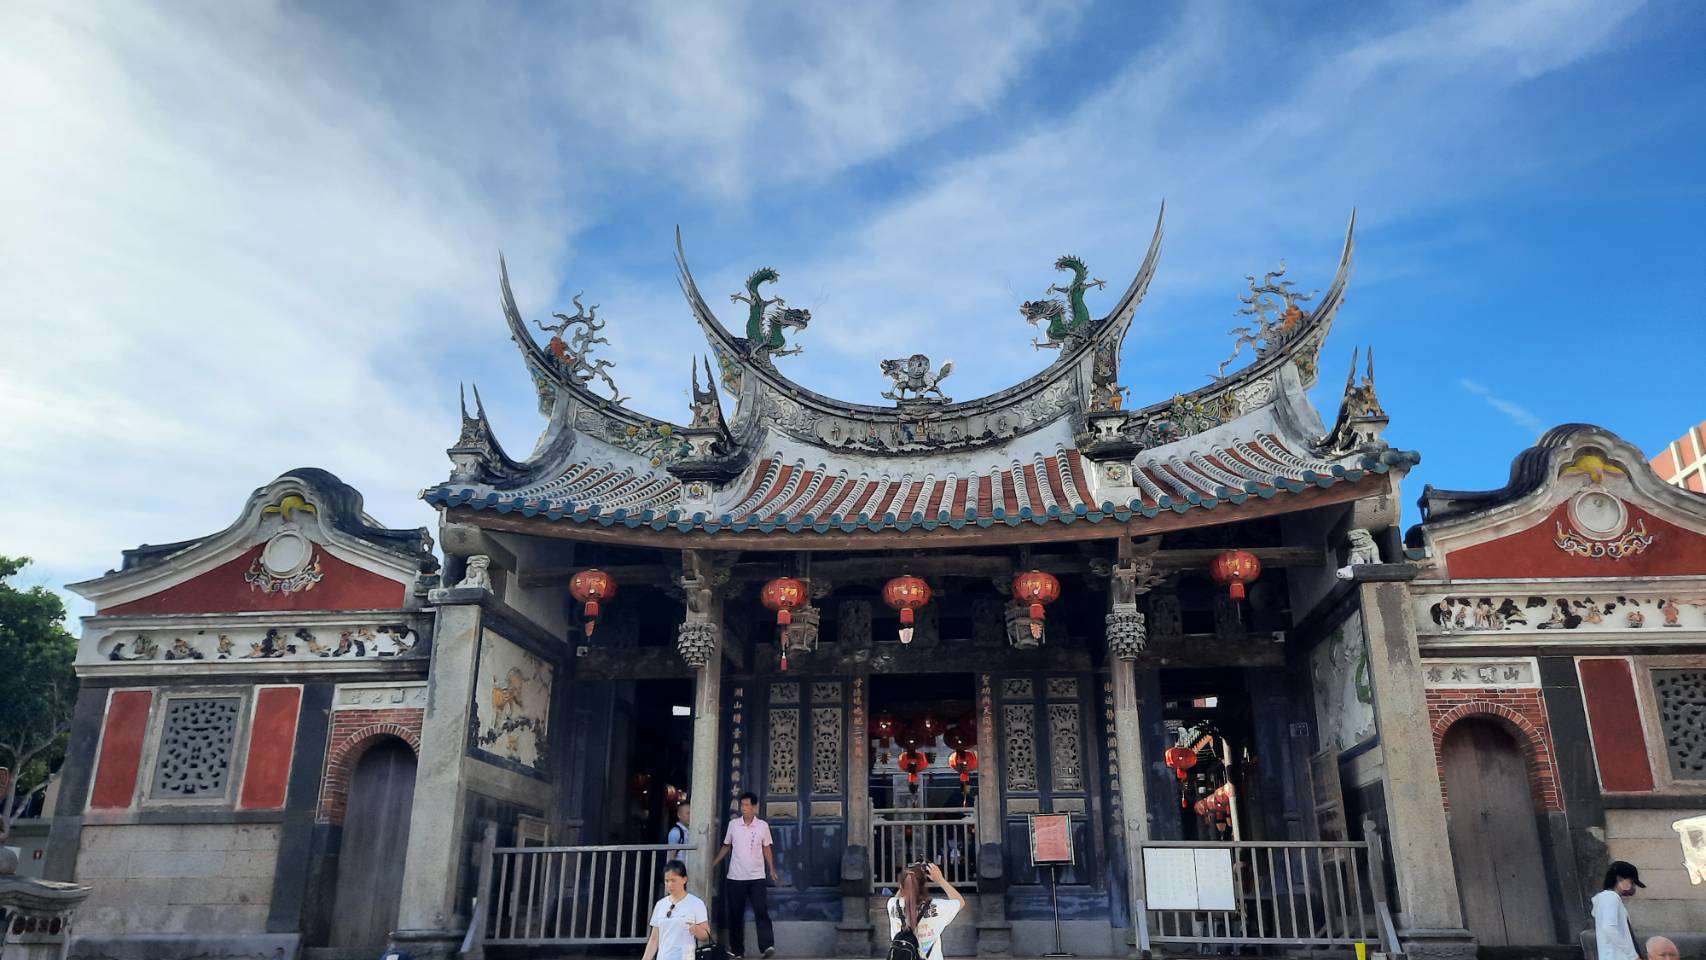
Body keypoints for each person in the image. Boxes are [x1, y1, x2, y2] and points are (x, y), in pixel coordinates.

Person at [709, 792, 782, 959]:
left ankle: (766, 946)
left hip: (757, 877)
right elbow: (726, 846)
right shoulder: (733, 825)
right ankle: (737, 951)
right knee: (735, 914)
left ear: (755, 807)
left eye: (748, 805)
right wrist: (714, 863)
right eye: (742, 806)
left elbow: (766, 848)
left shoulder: (762, 826)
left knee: (761, 910)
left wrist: (771, 869)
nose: (744, 809)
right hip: (735, 877)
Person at [886, 862, 965, 960]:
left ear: (901, 886)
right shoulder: (937, 906)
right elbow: (960, 902)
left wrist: (908, 879)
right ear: (924, 886)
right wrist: (940, 879)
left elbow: (900, 895)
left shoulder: (892, 904)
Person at [642, 860, 710, 960]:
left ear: (684, 879)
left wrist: (696, 929)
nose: (669, 884)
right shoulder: (660, 904)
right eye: (666, 881)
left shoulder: (696, 903)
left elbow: (706, 935)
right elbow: (654, 939)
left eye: (673, 880)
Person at [1591, 860, 1645, 960]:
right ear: (1619, 878)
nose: (1633, 887)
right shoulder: (1611, 897)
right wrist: (1632, 955)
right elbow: (1608, 927)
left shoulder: (1604, 899)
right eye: (1631, 882)